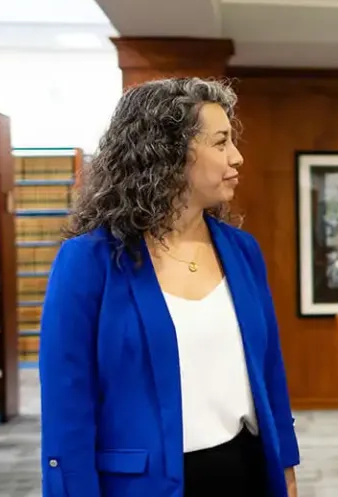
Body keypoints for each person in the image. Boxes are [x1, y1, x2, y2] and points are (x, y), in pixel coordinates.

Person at [39, 78, 301, 497]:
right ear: (169, 153)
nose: (237, 157)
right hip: (143, 485)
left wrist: (286, 467)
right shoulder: (88, 264)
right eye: (220, 143)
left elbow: (270, 373)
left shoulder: (242, 251)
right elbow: (67, 410)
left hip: (247, 472)